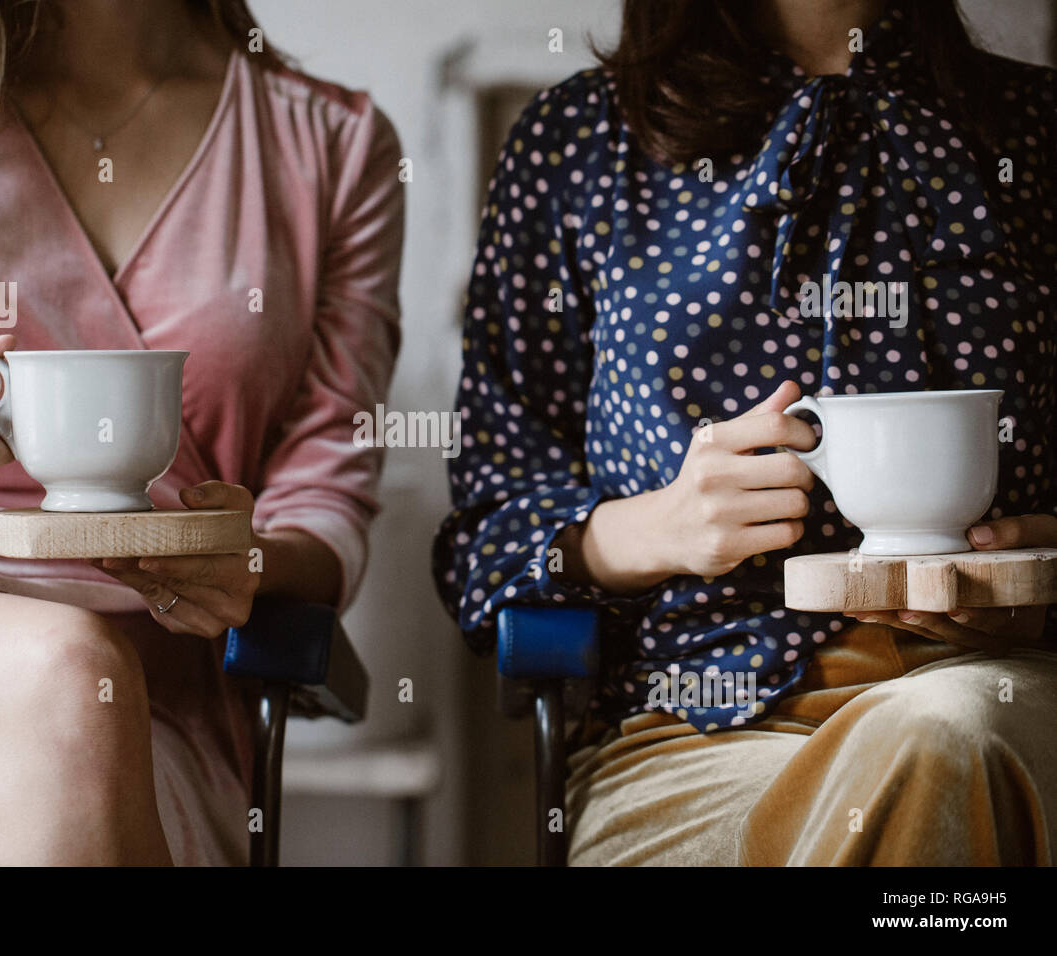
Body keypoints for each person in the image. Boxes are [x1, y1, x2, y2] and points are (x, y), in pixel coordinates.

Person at [0, 0, 403, 865]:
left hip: (150, 695)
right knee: (60, 681)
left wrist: (241, 560)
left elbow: (326, 500)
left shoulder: (331, 145)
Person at [434, 0, 1057, 865]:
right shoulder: (578, 142)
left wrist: (1042, 565)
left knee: (948, 733)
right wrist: (653, 528)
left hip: (1004, 699)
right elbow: (483, 543)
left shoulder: (1035, 126)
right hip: (696, 737)